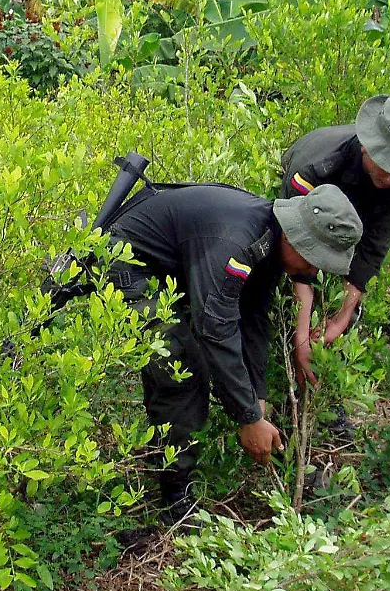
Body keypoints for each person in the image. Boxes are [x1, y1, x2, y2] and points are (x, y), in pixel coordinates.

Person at [105, 181, 363, 523]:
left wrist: (255, 397)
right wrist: (248, 419)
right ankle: (171, 496)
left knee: (197, 352)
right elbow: (215, 330)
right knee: (184, 365)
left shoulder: (269, 240)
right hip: (126, 264)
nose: (314, 272)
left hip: (168, 269)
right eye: (314, 259)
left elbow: (253, 320)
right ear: (295, 237)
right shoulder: (236, 243)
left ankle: (168, 460)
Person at [281, 92, 390, 386]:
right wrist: (302, 333)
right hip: (304, 206)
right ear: (368, 148)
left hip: (357, 210)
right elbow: (298, 259)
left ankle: (327, 394)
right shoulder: (313, 169)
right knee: (286, 298)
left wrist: (341, 317)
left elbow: (372, 248)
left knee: (344, 317)